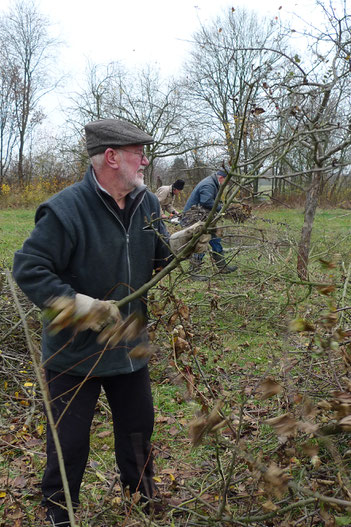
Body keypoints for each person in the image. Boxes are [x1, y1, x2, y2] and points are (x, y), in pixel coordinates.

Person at [12, 119, 201, 526]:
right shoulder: (66, 210)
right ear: (112, 157)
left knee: (138, 432)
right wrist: (82, 307)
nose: (147, 160)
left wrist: (180, 246)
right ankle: (60, 513)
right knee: (69, 442)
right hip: (72, 354)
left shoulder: (147, 203)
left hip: (127, 346)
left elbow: (157, 258)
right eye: (139, 153)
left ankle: (143, 503)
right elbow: (28, 269)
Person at [182, 169, 237, 276]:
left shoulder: (212, 183)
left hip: (203, 217)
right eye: (227, 181)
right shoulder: (208, 184)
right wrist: (221, 208)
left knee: (215, 239)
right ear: (221, 178)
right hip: (193, 218)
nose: (226, 184)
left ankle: (222, 267)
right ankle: (194, 271)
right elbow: (206, 201)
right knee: (202, 242)